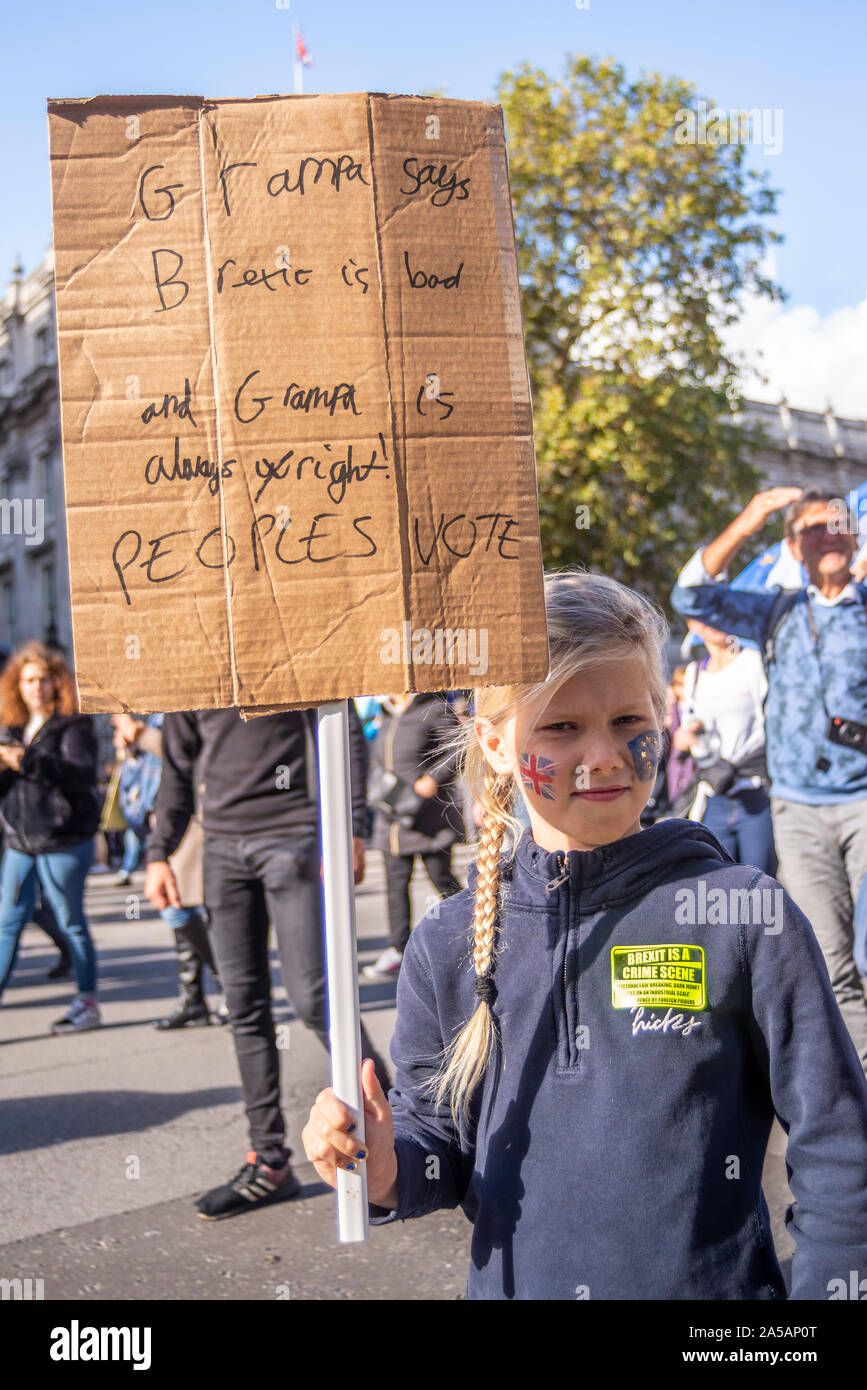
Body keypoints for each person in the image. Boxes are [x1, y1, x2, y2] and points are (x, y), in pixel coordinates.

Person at [302, 571, 867, 1300]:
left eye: (629, 721)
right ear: (494, 744)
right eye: (561, 727)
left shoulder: (742, 915)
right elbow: (436, 1149)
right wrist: (381, 1165)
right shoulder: (446, 939)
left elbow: (836, 1145)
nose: (602, 754)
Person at [145, 703, 390, 1220]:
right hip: (222, 847)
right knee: (243, 1005)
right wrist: (159, 852)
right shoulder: (192, 665)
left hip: (294, 835)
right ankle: (270, 1162)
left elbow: (344, 724)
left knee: (314, 996)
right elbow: (176, 764)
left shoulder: (283, 642)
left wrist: (351, 824)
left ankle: (400, 1129)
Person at [671, 486, 867, 1066]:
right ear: (793, 545)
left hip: (864, 800)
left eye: (838, 525)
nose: (828, 535)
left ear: (854, 535)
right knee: (831, 963)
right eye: (812, 528)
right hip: (798, 808)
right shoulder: (775, 610)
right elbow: (691, 593)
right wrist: (751, 515)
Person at [0, 642, 102, 1032]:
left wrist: (27, 759)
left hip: (63, 841)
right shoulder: (11, 726)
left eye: (44, 679)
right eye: (28, 680)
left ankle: (87, 1001)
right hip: (18, 842)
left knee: (70, 921)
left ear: (58, 683)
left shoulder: (72, 725)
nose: (35, 688)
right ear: (17, 684)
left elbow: (80, 775)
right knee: (8, 923)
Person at [113, 712, 225, 1029]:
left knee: (187, 907)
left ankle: (229, 986)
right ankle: (193, 997)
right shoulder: (143, 708)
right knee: (178, 907)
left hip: (191, 822)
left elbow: (185, 755)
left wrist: (141, 734)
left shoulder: (174, 705)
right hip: (161, 820)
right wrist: (130, 744)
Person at [363, 693, 464, 980]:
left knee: (442, 880)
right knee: (396, 886)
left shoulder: (433, 707)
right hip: (392, 819)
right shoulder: (387, 711)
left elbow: (459, 749)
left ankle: (473, 936)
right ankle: (399, 949)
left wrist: (433, 778)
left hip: (429, 820)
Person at [673, 619, 776, 874]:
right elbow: (688, 727)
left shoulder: (752, 661)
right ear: (692, 625)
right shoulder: (694, 673)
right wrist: (686, 737)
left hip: (754, 792)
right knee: (717, 888)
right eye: (703, 618)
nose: (713, 622)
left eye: (718, 614)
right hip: (713, 794)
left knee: (760, 889)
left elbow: (771, 722)